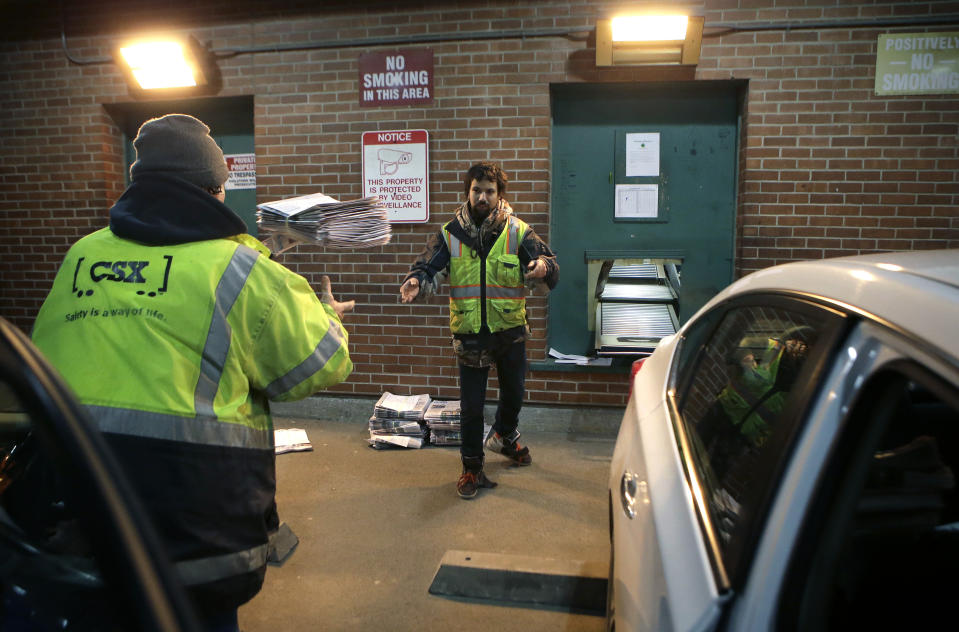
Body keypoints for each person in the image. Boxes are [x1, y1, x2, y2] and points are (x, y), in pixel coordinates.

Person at [30, 114, 354, 630]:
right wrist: (327, 314)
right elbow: (314, 366)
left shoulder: (82, 255)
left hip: (70, 513)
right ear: (213, 192)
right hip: (189, 532)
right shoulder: (241, 270)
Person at [399, 161, 559, 499]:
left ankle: (504, 434)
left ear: (499, 195)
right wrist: (417, 280)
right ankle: (472, 468)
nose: (482, 197)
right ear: (468, 193)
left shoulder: (517, 232)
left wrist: (541, 267)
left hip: (510, 330)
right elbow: (428, 266)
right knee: (472, 407)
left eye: (489, 191)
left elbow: (550, 264)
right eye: (476, 190)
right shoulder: (450, 234)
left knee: (514, 393)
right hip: (470, 332)